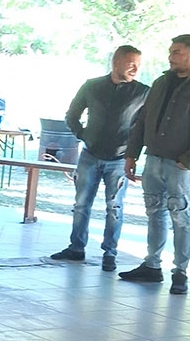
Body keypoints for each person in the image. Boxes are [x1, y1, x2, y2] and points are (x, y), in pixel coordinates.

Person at [49, 44, 147, 271]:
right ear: (116, 62)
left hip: (120, 159)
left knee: (115, 207)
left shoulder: (143, 92)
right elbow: (72, 115)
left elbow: (146, 126)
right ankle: (76, 248)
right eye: (131, 63)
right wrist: (83, 134)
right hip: (90, 155)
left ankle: (110, 253)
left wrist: (133, 153)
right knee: (81, 204)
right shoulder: (92, 86)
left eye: (138, 65)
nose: (135, 69)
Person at [120, 33, 190, 295]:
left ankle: (180, 272)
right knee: (154, 212)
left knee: (181, 216)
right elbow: (143, 119)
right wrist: (132, 153)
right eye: (170, 52)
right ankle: (152, 266)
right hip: (153, 158)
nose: (170, 57)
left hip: (180, 165)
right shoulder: (161, 82)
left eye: (177, 52)